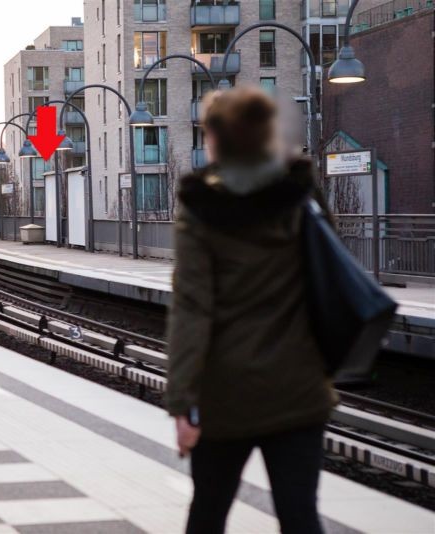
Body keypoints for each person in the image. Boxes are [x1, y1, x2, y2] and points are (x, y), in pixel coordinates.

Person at [166, 86, 336, 534]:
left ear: (216, 140)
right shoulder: (303, 197)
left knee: (208, 513)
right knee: (300, 516)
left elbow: (192, 309)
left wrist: (184, 402)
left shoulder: (201, 209)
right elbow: (330, 275)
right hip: (300, 390)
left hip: (226, 395)